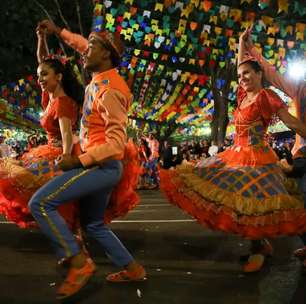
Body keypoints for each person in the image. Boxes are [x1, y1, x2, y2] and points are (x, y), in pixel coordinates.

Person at [160, 31, 306, 274]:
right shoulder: (242, 95)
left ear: (260, 74)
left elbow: (292, 123)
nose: (243, 78)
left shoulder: (266, 97)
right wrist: (240, 45)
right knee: (239, 202)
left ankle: (259, 250)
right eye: (239, 75)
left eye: (248, 73)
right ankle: (260, 246)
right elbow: (242, 65)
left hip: (258, 158)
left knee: (254, 205)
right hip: (234, 154)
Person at [28, 20, 146, 300]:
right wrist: (58, 33)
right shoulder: (101, 75)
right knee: (93, 224)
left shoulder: (111, 90)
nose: (84, 50)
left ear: (105, 54)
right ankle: (133, 268)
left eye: (91, 47)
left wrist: (78, 161)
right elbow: (80, 43)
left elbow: (117, 144)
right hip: (100, 165)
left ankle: (79, 264)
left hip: (101, 166)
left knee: (41, 203)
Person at [0, 27, 83, 229]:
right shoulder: (50, 96)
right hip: (48, 150)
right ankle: (73, 236)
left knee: (21, 179)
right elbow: (42, 61)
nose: (40, 80)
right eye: (39, 77)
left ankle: (73, 239)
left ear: (59, 76)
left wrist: (66, 157)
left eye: (45, 75)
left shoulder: (62, 101)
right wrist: (41, 38)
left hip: (59, 152)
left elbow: (66, 133)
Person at [240, 26, 306, 267]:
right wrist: (247, 47)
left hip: (267, 156)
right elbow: (266, 70)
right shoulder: (299, 89)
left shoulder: (271, 96)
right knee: (294, 201)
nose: (243, 78)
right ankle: (260, 246)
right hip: (300, 155)